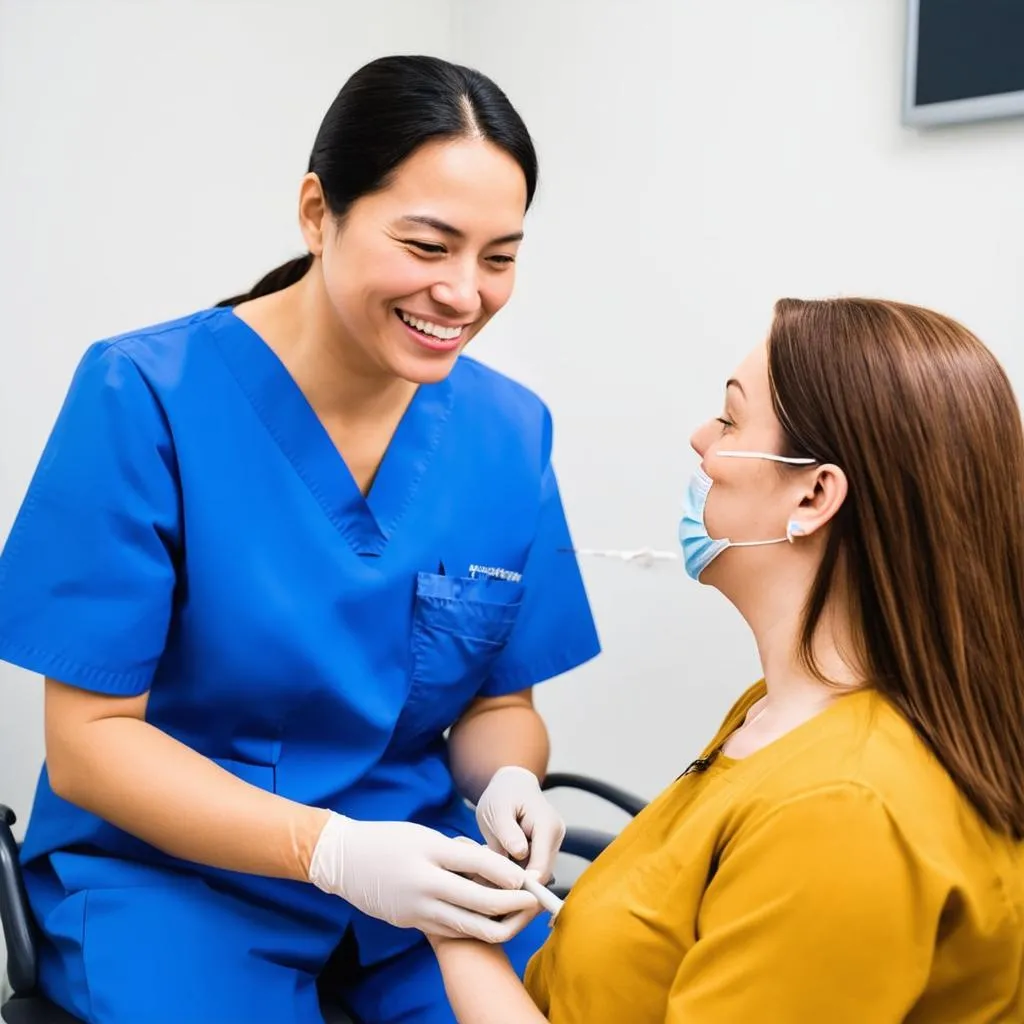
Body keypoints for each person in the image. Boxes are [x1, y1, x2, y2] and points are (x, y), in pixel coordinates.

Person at [0, 55, 600, 1024]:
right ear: (318, 211)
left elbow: (502, 699)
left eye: (498, 257)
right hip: (175, 885)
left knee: (587, 994)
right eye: (427, 245)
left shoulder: (508, 431)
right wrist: (331, 850)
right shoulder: (145, 395)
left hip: (422, 879)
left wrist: (510, 782)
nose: (462, 293)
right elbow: (89, 745)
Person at [424, 297, 1024, 1023]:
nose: (700, 439)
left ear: (813, 494)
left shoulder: (843, 810)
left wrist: (450, 932)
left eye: (731, 419)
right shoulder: (777, 714)